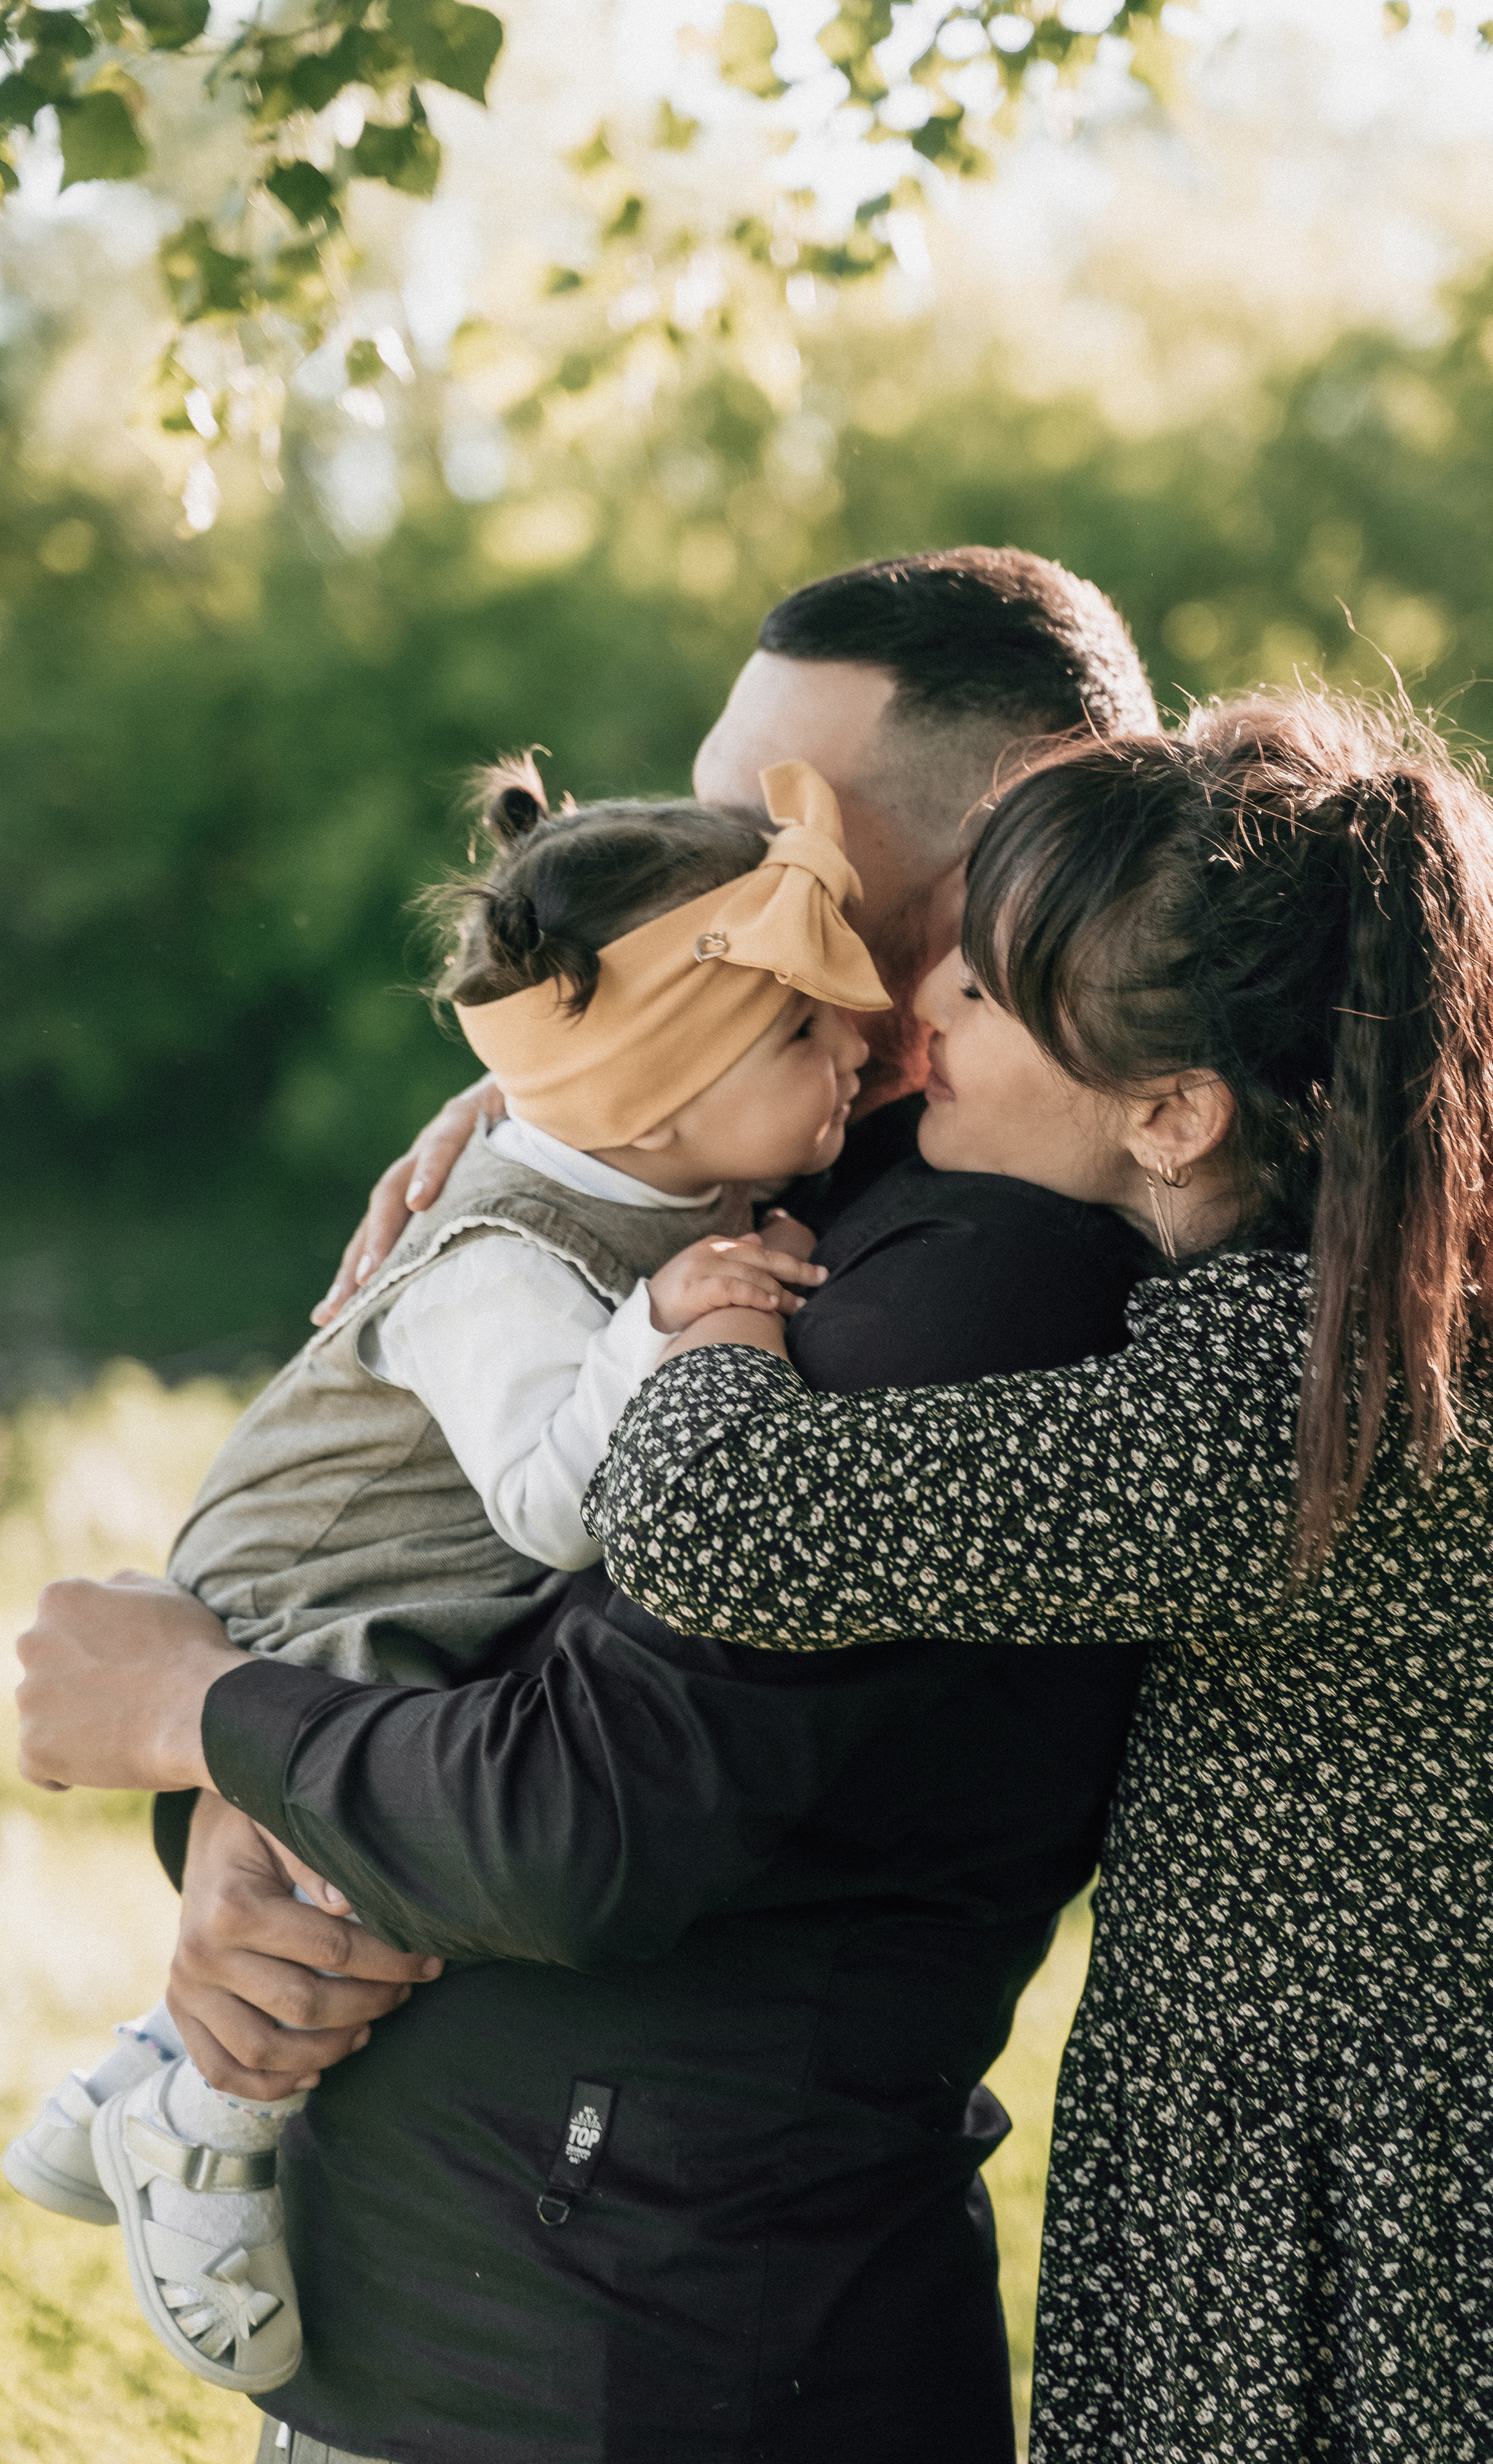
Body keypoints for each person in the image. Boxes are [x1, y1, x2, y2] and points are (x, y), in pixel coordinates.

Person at [580, 690, 1493, 2460]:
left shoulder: (1271, 1421)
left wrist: (705, 1321)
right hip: (1469, 2186)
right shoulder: (1476, 1307)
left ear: (1172, 1115)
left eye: (988, 992)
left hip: (1340, 2241)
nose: (918, 1001)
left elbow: (708, 1521)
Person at [15, 931, 1157, 2461]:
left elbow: (572, 1818)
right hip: (488, 2312)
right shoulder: (771, 1169)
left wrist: (206, 1715)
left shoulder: (970, 1266)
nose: (746, 874)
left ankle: (193, 2105)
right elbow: (504, 1636)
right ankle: (175, 2068)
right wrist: (235, 1778)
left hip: (627, 2354)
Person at [3, 758, 881, 2400]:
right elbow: (550, 1505)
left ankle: (130, 2071)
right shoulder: (503, 1259)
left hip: (423, 1560)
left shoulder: (666, 1164)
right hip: (324, 1575)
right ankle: (206, 2124)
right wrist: (667, 1324)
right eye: (802, 1032)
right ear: (655, 1101)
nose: (863, 1041)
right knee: (383, 1832)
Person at [311, 545, 1157, 1318]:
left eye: (770, 838)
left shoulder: (996, 1250)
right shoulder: (629, 1141)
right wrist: (564, 1095)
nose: (698, 887)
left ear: (1009, 866)